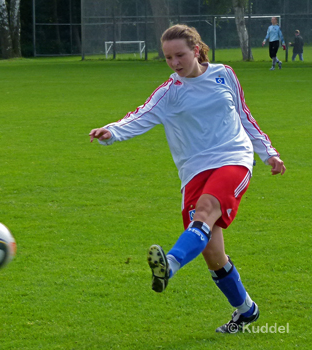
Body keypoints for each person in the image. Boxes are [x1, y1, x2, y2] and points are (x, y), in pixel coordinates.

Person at [89, 24, 286, 333]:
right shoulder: (170, 92)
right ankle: (246, 310)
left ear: (196, 50)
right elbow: (140, 115)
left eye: (179, 55)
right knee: (213, 254)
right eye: (168, 58)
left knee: (207, 210)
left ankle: (170, 264)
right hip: (194, 171)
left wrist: (268, 153)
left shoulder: (225, 74)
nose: (174, 63)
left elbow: (244, 115)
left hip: (233, 158)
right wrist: (111, 131)